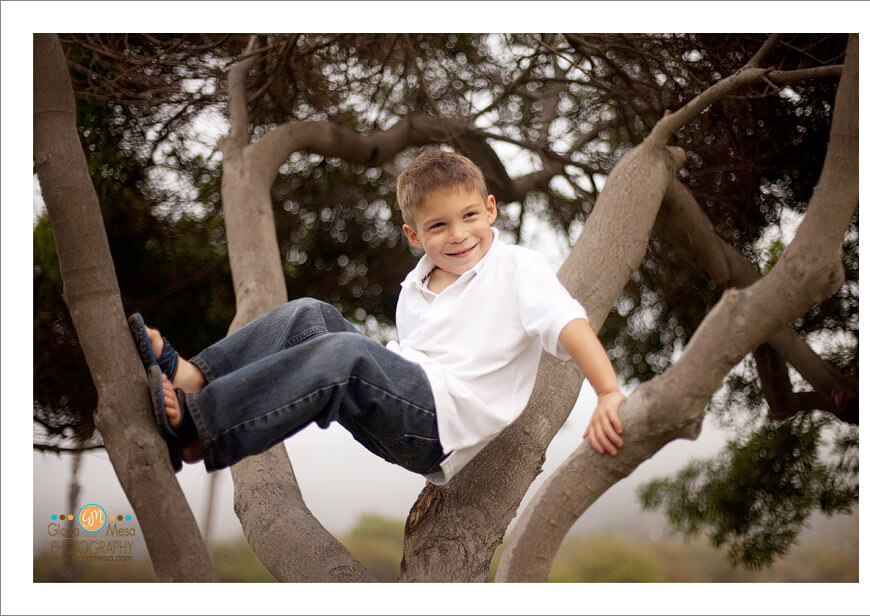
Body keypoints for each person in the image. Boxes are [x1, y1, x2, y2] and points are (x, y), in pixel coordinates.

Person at [130, 149, 626, 483]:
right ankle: (197, 375)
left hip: (438, 430)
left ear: (491, 209)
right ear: (414, 236)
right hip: (398, 408)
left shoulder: (517, 267)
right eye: (438, 225)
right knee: (309, 314)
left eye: (470, 216)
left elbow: (568, 323)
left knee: (346, 355)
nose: (458, 235)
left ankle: (203, 433)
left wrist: (607, 392)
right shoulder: (416, 285)